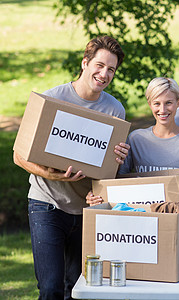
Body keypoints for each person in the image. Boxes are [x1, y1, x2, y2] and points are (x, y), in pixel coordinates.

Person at [13, 36, 130, 300]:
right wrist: (50, 175)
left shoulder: (115, 110)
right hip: (47, 203)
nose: (104, 74)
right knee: (51, 287)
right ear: (85, 63)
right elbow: (18, 155)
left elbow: (108, 172)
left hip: (87, 210)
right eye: (99, 65)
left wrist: (117, 158)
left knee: (78, 289)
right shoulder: (51, 100)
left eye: (111, 69)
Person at [88, 77, 179, 231]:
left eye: (168, 103)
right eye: (157, 103)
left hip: (177, 223)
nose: (163, 110)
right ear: (149, 104)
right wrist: (97, 196)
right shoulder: (136, 139)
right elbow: (117, 182)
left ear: (178, 102)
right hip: (139, 225)